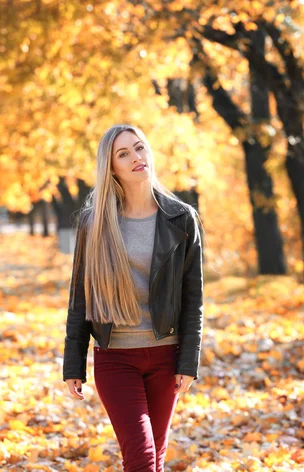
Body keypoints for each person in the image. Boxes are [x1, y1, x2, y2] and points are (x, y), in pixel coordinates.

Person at [63, 123, 204, 472]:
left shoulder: (180, 218)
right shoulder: (94, 223)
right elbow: (80, 294)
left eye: (139, 148)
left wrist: (188, 361)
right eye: (123, 153)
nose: (136, 157)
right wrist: (73, 363)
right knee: (140, 460)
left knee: (154, 458)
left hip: (165, 356)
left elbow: (193, 297)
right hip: (115, 358)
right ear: (111, 167)